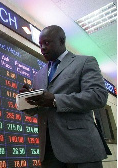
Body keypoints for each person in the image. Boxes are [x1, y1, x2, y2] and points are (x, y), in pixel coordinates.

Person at [19, 25, 109, 168]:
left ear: (61, 41)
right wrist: (27, 101)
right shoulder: (39, 74)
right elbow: (39, 108)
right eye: (40, 44)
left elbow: (98, 96)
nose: (42, 47)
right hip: (49, 151)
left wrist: (55, 100)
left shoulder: (84, 62)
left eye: (47, 43)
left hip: (80, 148)